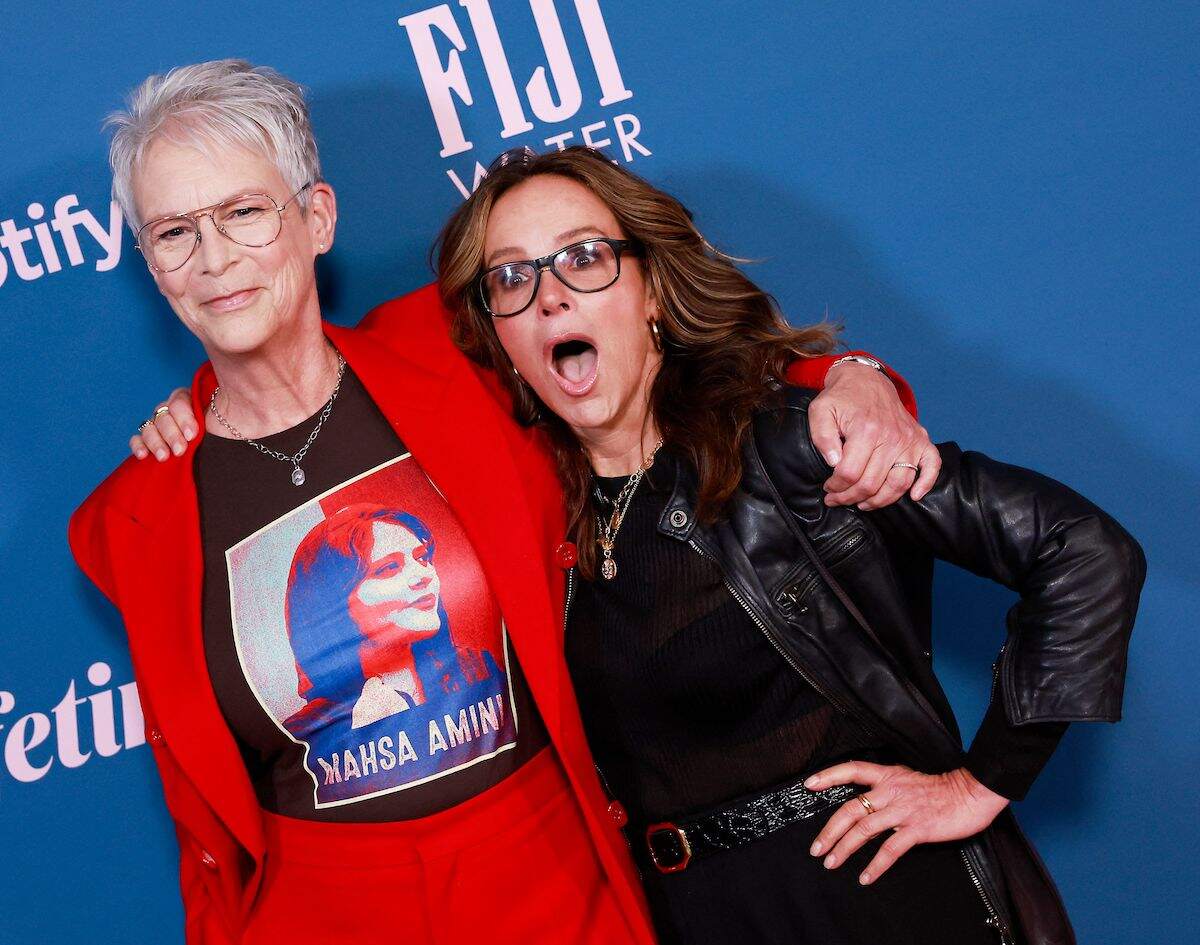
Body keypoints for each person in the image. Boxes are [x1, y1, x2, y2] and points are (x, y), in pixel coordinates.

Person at [73, 60, 931, 945]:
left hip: (556, 877)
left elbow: (665, 359)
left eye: (244, 212)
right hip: (319, 911)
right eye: (173, 231)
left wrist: (843, 379)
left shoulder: (459, 348)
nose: (213, 259)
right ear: (151, 262)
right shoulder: (126, 519)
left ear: (315, 218)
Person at [426, 146, 1143, 944]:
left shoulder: (790, 447)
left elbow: (1082, 548)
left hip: (880, 903)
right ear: (499, 335)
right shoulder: (540, 521)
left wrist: (981, 782)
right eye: (512, 278)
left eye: (586, 258)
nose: (551, 296)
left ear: (654, 288)